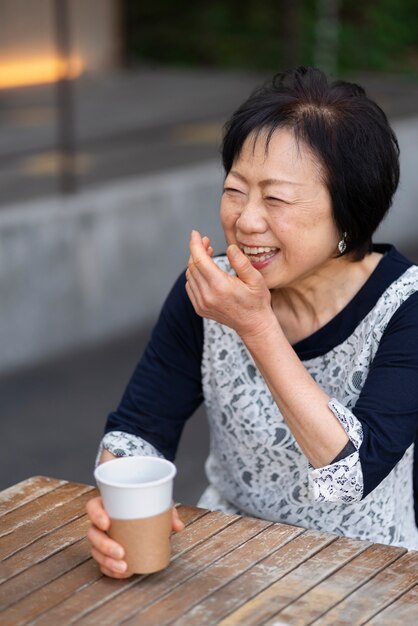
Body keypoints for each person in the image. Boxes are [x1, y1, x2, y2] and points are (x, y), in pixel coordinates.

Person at [86, 66, 418, 578]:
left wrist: (256, 326)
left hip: (364, 573)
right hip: (224, 554)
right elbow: (140, 429)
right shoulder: (209, 289)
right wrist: (115, 502)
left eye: (276, 199)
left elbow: (348, 477)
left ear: (349, 218)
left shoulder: (406, 307)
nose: (245, 220)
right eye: (236, 189)